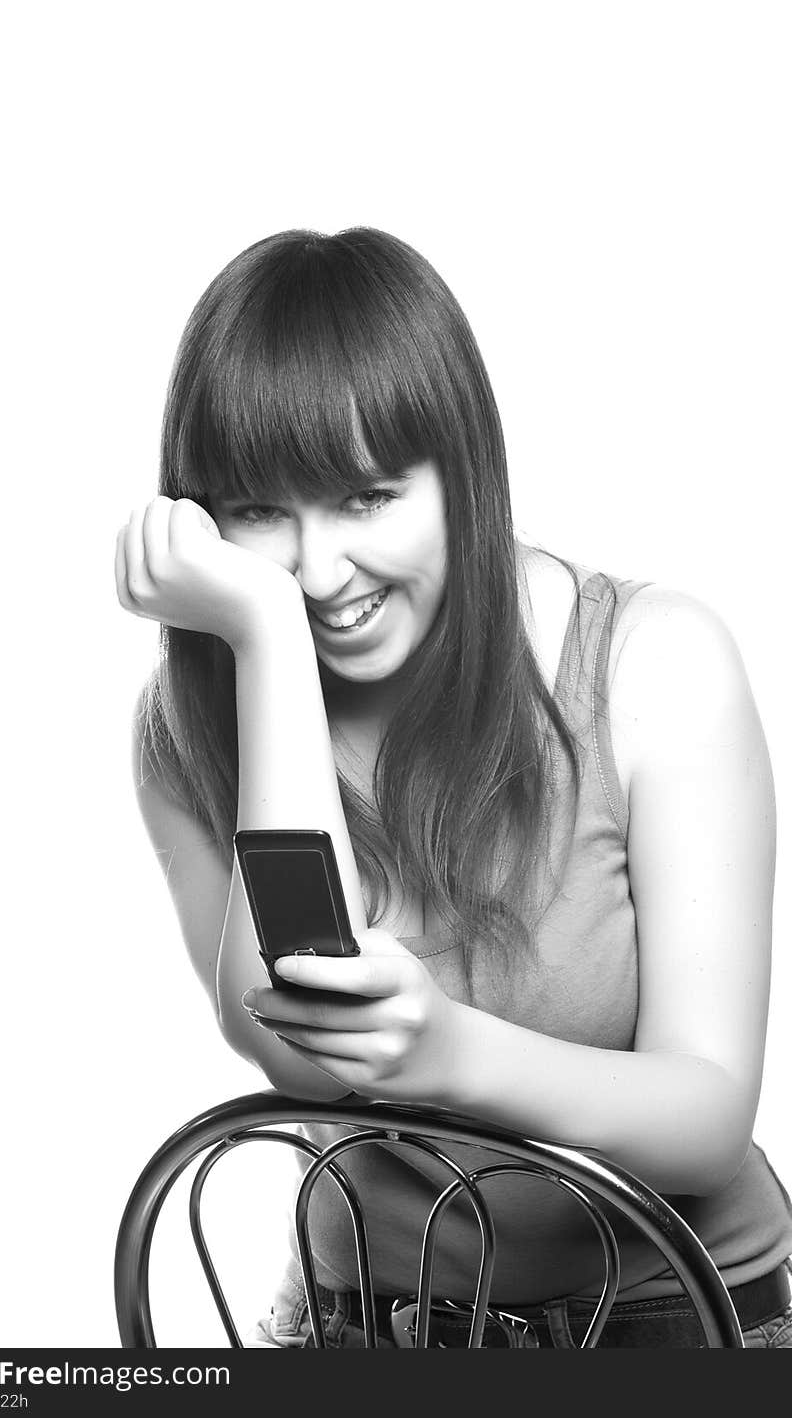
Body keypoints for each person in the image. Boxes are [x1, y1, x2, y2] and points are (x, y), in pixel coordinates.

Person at [115, 227, 792, 1348]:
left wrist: (452, 1055)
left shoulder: (652, 665)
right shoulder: (192, 727)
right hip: (364, 1331)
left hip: (673, 1319)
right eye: (257, 512)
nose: (319, 571)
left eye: (369, 496)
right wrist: (268, 646)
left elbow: (708, 1117)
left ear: (462, 473)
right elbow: (302, 1049)